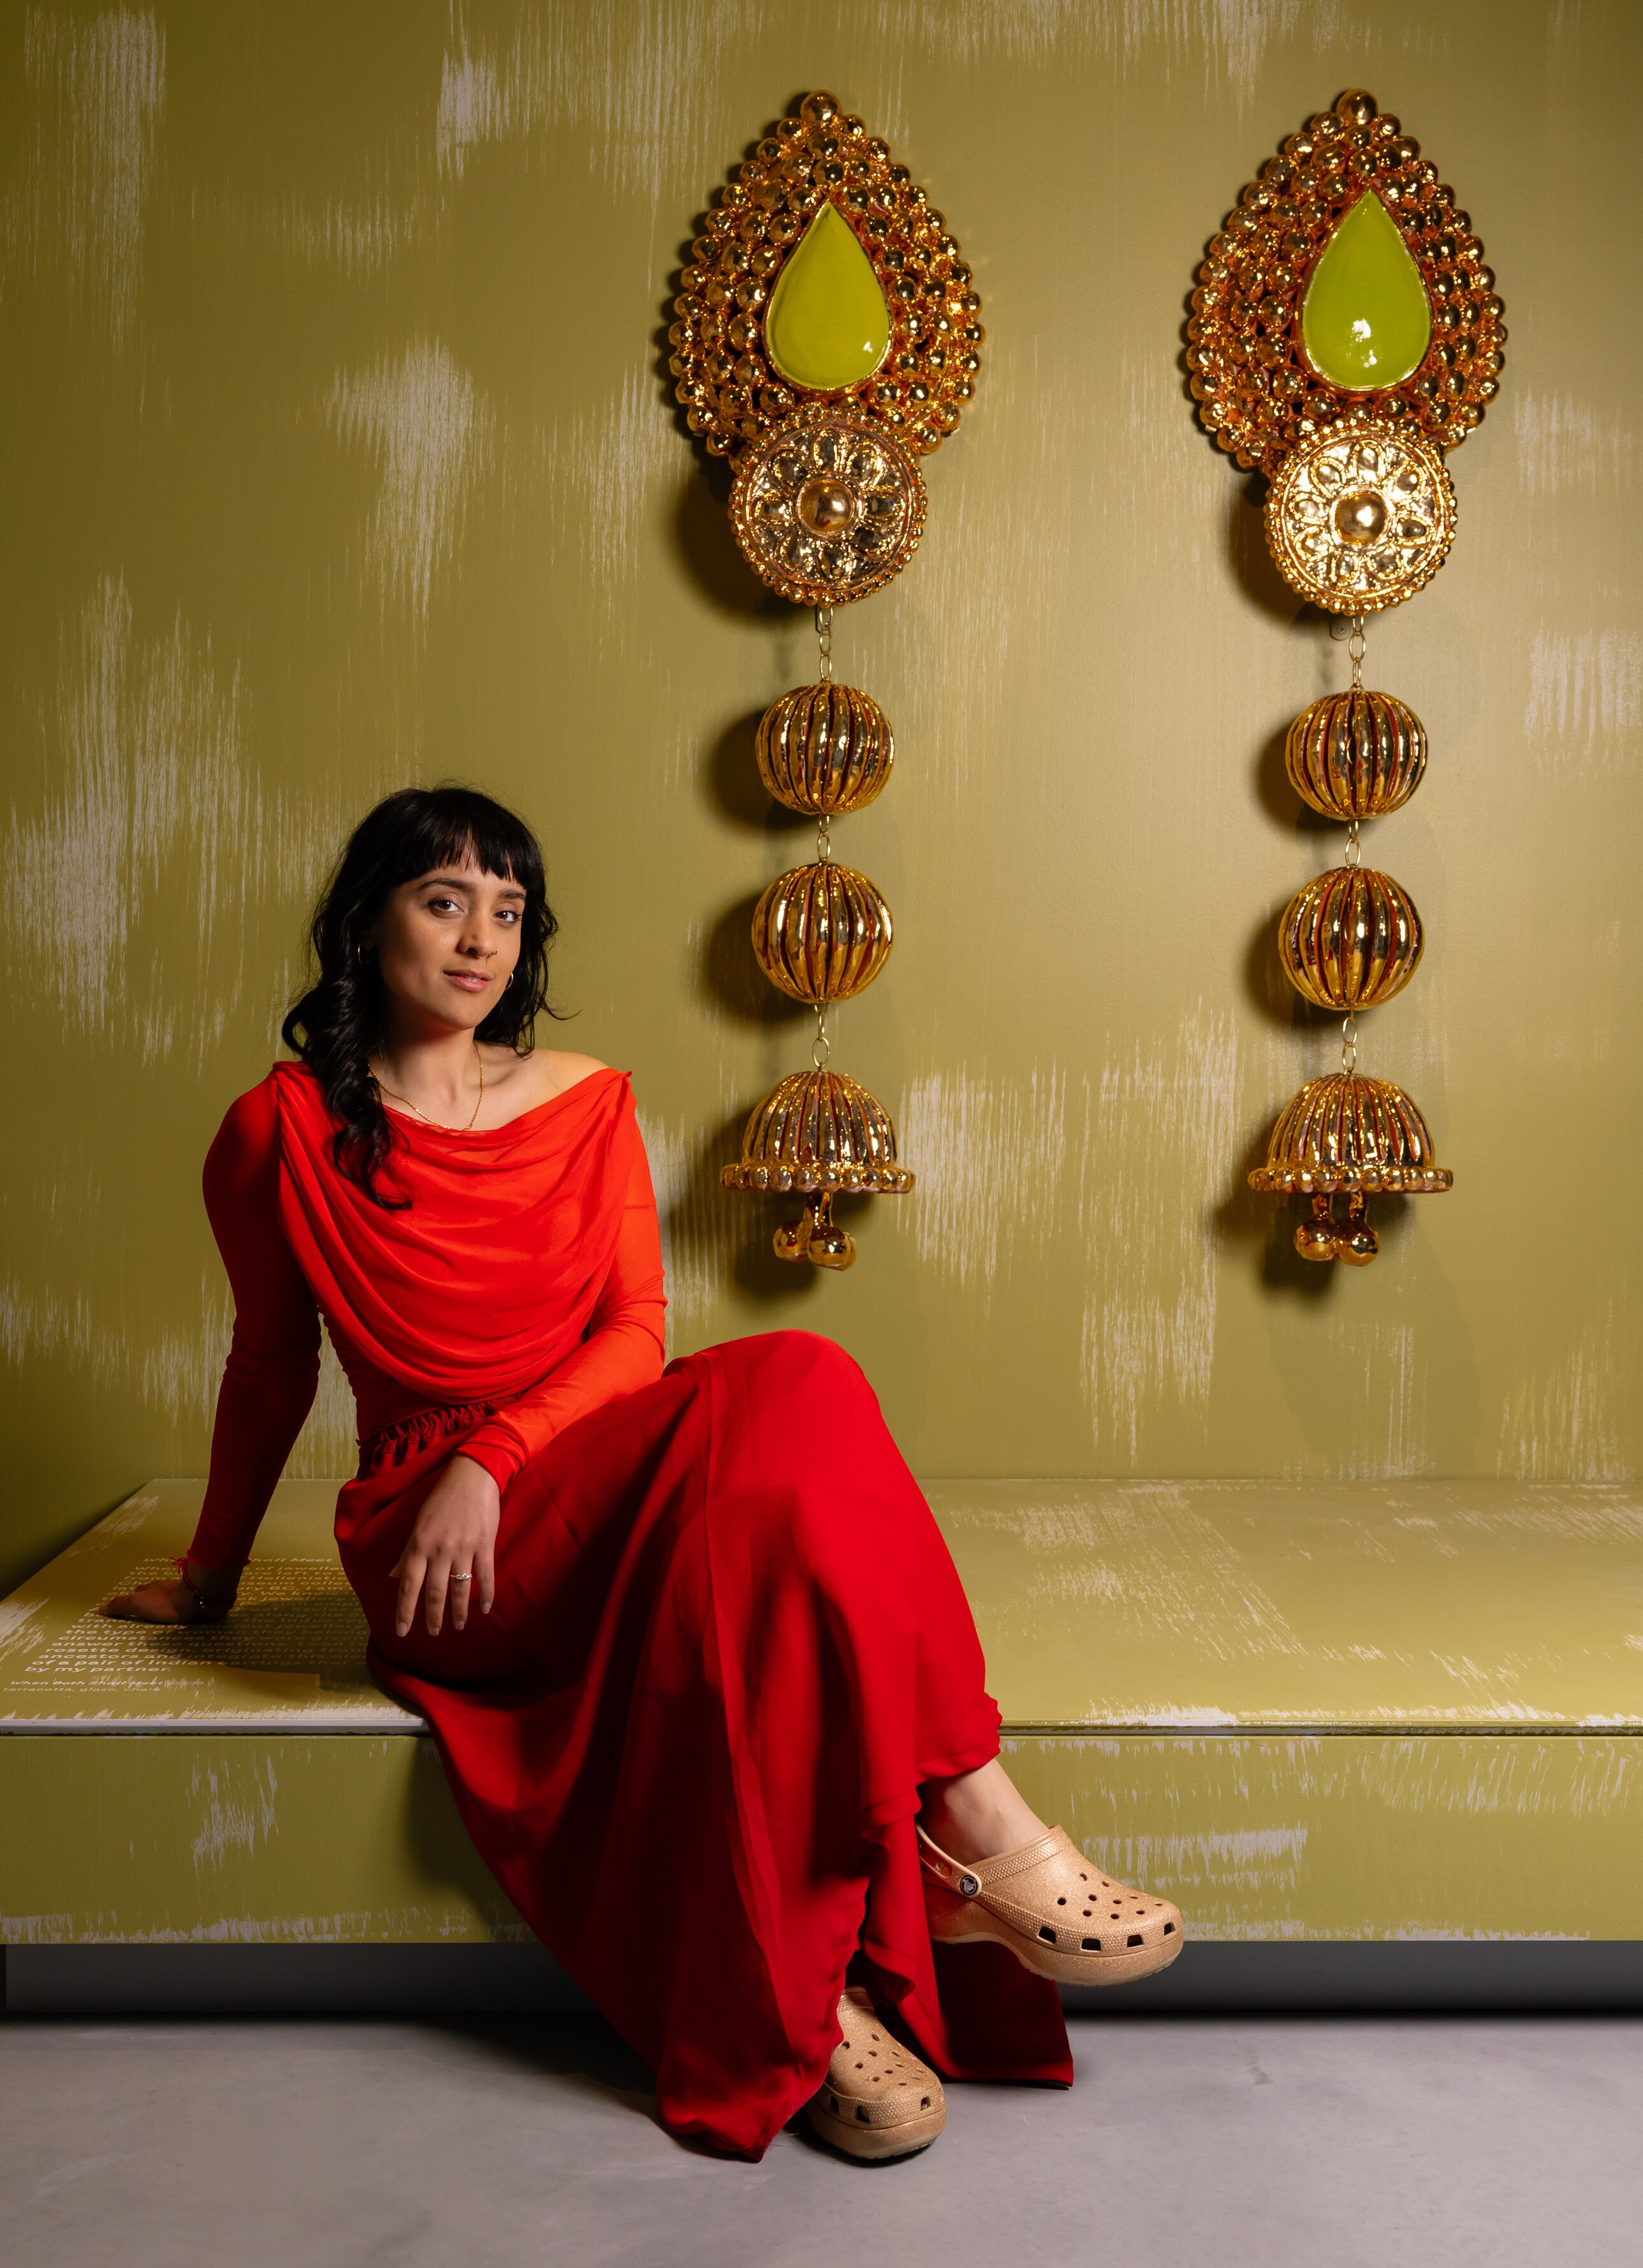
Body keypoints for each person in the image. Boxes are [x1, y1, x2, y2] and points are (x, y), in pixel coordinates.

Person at [108, 785, 1183, 2161]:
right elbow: (268, 1367)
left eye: (507, 909)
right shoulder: (276, 1130)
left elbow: (634, 1333)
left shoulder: (584, 1095)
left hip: (566, 1466)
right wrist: (210, 1580)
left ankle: (848, 1952)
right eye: (443, 900)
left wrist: (503, 1450)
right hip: (441, 1540)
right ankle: (961, 1849)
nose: (479, 937)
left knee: (793, 1404)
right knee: (790, 1399)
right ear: (363, 921)